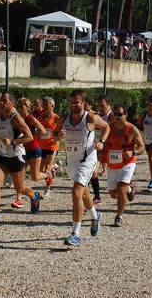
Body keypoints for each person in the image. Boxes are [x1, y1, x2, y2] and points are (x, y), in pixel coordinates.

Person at [53, 90, 109, 246]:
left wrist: (102, 142)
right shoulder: (64, 118)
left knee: (76, 191)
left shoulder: (90, 118)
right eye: (71, 102)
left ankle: (75, 233)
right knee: (84, 193)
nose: (73, 105)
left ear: (83, 102)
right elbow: (54, 134)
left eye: (76, 102)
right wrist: (59, 136)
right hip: (72, 161)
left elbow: (106, 127)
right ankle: (95, 216)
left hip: (87, 159)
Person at [0, 92, 37, 226]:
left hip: (16, 156)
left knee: (19, 188)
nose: (0, 103)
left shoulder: (16, 118)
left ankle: (33, 196)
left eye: (4, 101)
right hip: (2, 155)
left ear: (11, 103)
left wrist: (12, 142)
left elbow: (29, 136)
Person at [104, 104, 145, 227]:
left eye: (119, 114)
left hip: (128, 163)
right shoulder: (108, 128)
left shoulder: (132, 129)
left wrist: (133, 152)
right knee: (113, 194)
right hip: (112, 165)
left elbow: (142, 147)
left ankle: (119, 216)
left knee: (121, 187)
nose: (116, 116)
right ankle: (130, 188)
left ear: (125, 115)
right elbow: (102, 143)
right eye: (115, 114)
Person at [11, 97, 48, 209]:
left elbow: (43, 131)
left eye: (22, 106)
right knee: (19, 177)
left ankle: (47, 175)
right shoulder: (17, 119)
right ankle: (19, 199)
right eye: (19, 107)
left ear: (27, 107)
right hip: (22, 151)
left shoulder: (30, 118)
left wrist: (32, 137)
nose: (20, 109)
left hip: (33, 149)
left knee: (35, 177)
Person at [37, 97, 60, 198]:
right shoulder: (40, 117)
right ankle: (56, 165)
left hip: (52, 145)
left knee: (47, 168)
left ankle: (47, 190)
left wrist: (60, 134)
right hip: (42, 145)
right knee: (41, 170)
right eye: (44, 104)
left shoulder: (56, 118)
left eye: (47, 105)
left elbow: (61, 131)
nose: (45, 107)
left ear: (52, 106)